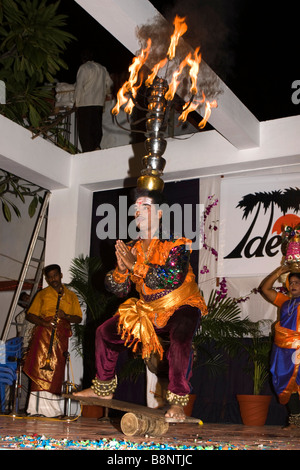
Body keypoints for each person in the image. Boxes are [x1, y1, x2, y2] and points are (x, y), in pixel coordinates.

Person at [74, 189, 207, 421]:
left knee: (180, 339)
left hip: (181, 305)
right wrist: (122, 270)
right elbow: (119, 289)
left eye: (145, 207)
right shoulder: (132, 247)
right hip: (148, 311)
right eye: (135, 208)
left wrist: (135, 265)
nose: (138, 212)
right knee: (105, 332)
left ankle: (176, 403)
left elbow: (171, 278)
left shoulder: (177, 242)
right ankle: (103, 388)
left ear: (160, 213)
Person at [23, 264, 82, 417]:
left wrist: (66, 316)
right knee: (39, 369)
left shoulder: (70, 296)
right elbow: (30, 315)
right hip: (43, 334)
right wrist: (44, 323)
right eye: (49, 277)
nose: (52, 279)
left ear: (61, 275)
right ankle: (35, 409)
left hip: (61, 336)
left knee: (57, 370)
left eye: (55, 275)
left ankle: (54, 411)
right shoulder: (42, 294)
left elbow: (78, 317)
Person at [260, 265, 300, 428]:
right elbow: (265, 289)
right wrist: (279, 272)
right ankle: (296, 420)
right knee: (284, 382)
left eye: (297, 282)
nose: (293, 285)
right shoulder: (285, 302)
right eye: (291, 282)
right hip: (283, 351)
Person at [74, 50, 113, 152]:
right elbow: (109, 83)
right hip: (98, 103)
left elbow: (79, 86)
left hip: (85, 103)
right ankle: (96, 146)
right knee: (96, 127)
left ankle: (87, 150)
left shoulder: (84, 68)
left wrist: (76, 102)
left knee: (85, 130)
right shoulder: (102, 68)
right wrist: (108, 94)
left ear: (83, 59)